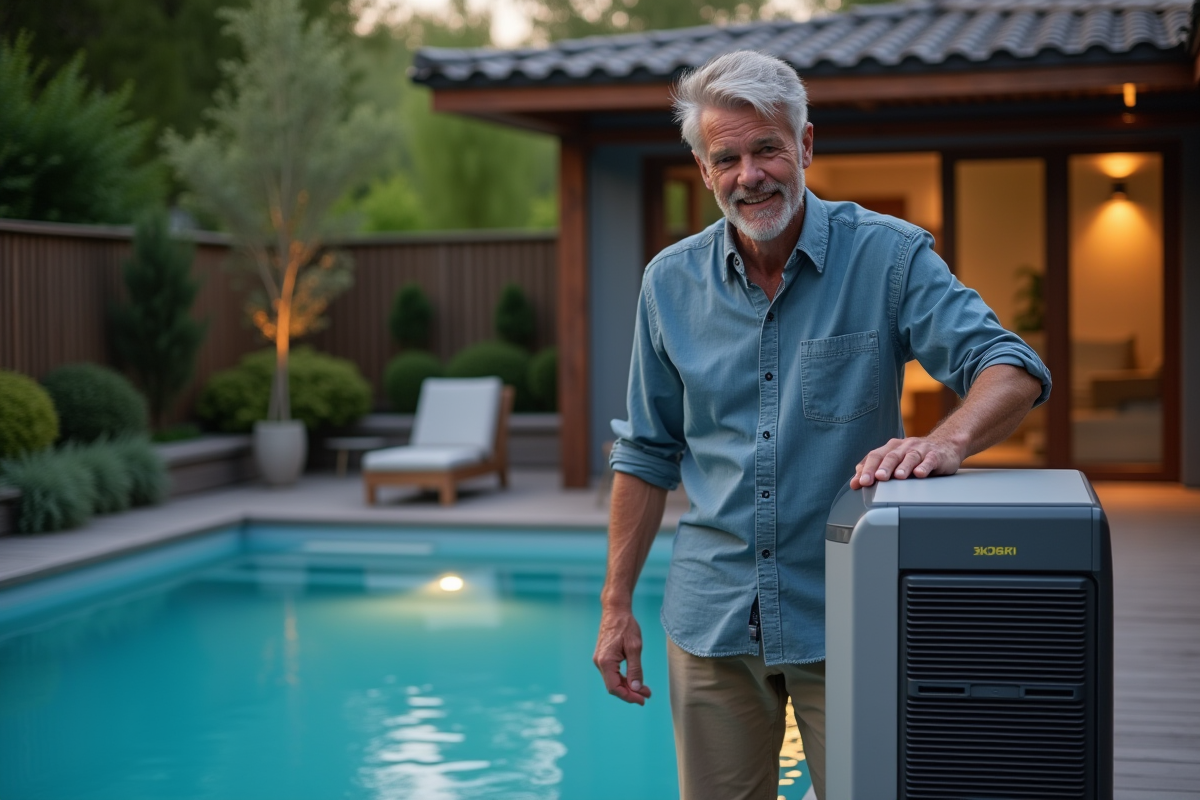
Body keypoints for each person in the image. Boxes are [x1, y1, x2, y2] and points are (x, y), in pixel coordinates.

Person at [592, 50, 1050, 800]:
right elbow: (646, 452)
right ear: (705, 172)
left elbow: (1011, 366)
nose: (751, 174)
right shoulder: (667, 283)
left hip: (848, 617)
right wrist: (616, 609)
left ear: (804, 145)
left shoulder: (890, 257)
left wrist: (947, 440)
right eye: (727, 158)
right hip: (712, 620)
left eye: (768, 148)